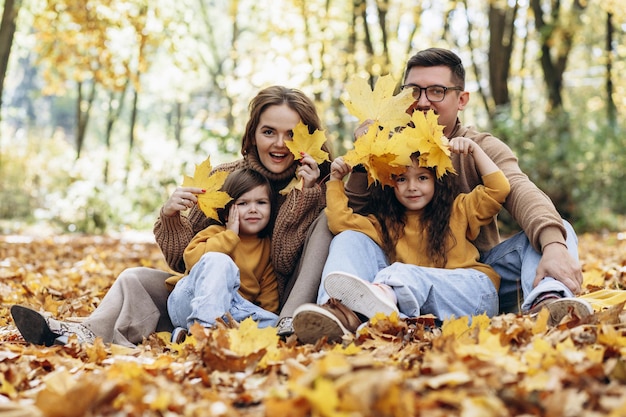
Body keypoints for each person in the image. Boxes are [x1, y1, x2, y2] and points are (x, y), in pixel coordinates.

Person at [277, 47, 591, 339]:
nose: (423, 101)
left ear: (462, 99)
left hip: (469, 275)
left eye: (437, 91)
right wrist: (364, 155)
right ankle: (340, 314)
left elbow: (519, 190)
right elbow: (352, 217)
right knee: (347, 237)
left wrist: (553, 244)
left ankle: (547, 302)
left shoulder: (478, 147)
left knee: (557, 230)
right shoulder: (388, 149)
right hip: (388, 279)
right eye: (414, 92)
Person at [11, 86, 332, 347]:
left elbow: (285, 263)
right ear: (252, 135)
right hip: (213, 296)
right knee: (134, 277)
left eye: (291, 135)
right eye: (268, 132)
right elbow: (184, 263)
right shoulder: (224, 180)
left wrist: (306, 195)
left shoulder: (321, 184)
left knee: (324, 224)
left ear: (308, 138)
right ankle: (84, 333)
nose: (279, 143)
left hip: (277, 307)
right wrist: (171, 219)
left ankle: (281, 329)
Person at [293, 136, 510, 344]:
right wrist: (336, 180)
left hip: (473, 295)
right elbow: (340, 222)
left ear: (437, 180)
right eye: (402, 179)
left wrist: (474, 149)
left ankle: (381, 296)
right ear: (390, 183)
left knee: (399, 272)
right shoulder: (387, 225)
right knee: (347, 238)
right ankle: (335, 313)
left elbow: (498, 189)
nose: (412, 187)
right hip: (428, 312)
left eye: (422, 177)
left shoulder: (459, 209)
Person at [167, 168, 279, 341]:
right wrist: (230, 236)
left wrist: (266, 316)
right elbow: (191, 260)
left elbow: (268, 297)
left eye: (261, 202)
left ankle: (188, 336)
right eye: (243, 203)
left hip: (231, 312)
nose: (253, 209)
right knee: (219, 260)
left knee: (273, 323)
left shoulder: (265, 247)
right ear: (227, 213)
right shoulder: (215, 232)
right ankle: (203, 333)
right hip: (191, 300)